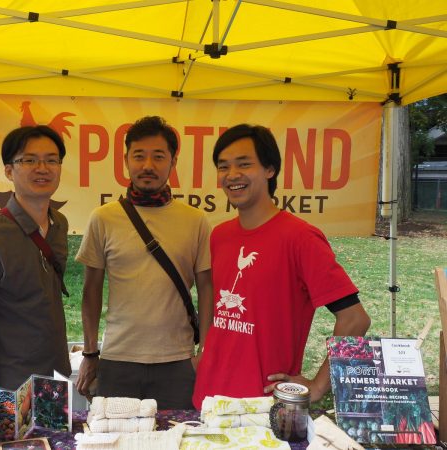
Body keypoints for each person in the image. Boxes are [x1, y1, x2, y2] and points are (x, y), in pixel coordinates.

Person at [192, 124, 371, 408]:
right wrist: (204, 353)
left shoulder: (301, 238)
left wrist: (317, 386)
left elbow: (355, 319)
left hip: (264, 405)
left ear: (270, 169)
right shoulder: (220, 236)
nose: (231, 175)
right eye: (223, 166)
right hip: (208, 397)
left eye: (244, 164)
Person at [75, 116, 213, 409]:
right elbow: (91, 292)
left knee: (176, 437)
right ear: (126, 160)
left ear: (173, 163)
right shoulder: (103, 218)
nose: (148, 165)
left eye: (158, 157)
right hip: (117, 359)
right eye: (139, 156)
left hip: (177, 361)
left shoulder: (196, 221)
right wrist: (90, 353)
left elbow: (207, 288)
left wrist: (205, 352)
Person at [0, 125, 71, 392]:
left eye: (51, 160)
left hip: (57, 372)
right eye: (29, 160)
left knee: (58, 436)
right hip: (11, 381)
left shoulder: (59, 224)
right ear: (9, 171)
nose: (42, 168)